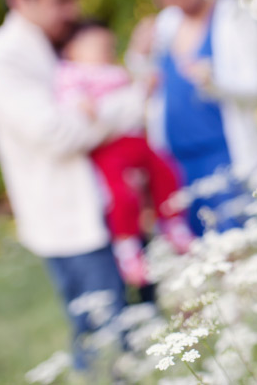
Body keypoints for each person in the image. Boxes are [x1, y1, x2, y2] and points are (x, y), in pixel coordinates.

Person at [0, 0, 145, 370]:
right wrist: (113, 108)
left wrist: (101, 110)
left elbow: (117, 104)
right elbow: (58, 133)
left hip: (114, 209)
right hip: (71, 225)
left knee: (141, 330)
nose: (72, 9)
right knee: (107, 345)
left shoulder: (62, 42)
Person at [127, 0, 257, 237]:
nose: (171, 0)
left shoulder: (234, 15)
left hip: (224, 155)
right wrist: (137, 56)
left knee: (236, 242)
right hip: (174, 160)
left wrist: (214, 81)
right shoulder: (165, 24)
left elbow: (255, 85)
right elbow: (146, 84)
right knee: (192, 246)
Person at [56, 20, 195, 286]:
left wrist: (144, 88)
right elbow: (70, 98)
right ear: (73, 50)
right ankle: (128, 249)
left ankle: (174, 223)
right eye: (97, 46)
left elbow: (133, 99)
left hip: (134, 140)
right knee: (122, 195)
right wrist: (81, 103)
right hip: (108, 148)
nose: (105, 52)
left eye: (108, 47)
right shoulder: (72, 73)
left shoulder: (113, 73)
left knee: (166, 171)